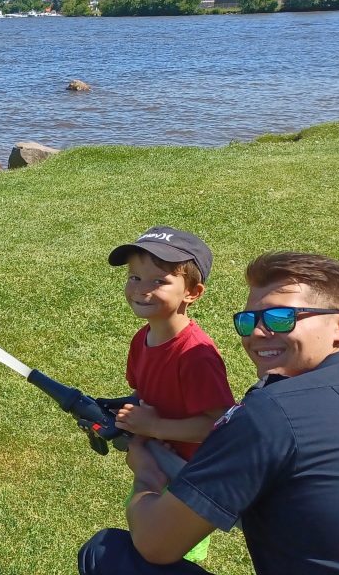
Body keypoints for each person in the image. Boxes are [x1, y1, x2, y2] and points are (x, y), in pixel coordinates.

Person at [78, 251, 339, 575]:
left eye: (281, 317)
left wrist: (148, 477)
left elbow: (155, 543)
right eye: (248, 321)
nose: (258, 332)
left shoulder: (269, 415)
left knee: (106, 554)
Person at [104, 227, 237, 562]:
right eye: (134, 277)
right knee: (143, 544)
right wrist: (123, 418)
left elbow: (219, 427)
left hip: (190, 481)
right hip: (157, 465)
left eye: (158, 281)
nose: (141, 290)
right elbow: (142, 396)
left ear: (192, 292)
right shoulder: (142, 340)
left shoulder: (196, 356)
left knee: (171, 558)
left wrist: (154, 427)